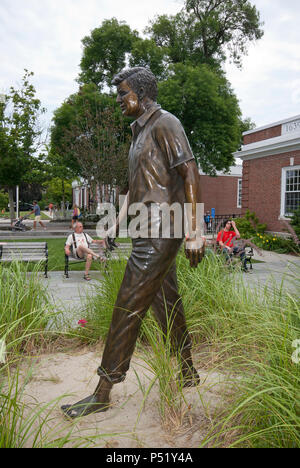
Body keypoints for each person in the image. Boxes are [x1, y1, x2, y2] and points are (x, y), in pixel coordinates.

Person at [61, 67, 205, 419]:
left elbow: (190, 172)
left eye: (123, 93)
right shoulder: (138, 134)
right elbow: (137, 189)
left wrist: (196, 230)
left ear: (143, 94)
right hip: (145, 226)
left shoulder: (165, 123)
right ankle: (187, 369)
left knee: (127, 305)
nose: (119, 100)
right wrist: (114, 223)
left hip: (161, 229)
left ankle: (103, 391)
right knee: (165, 301)